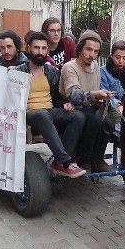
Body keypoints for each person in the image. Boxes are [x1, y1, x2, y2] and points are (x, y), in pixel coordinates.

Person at [14, 31, 86, 177]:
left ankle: (59, 162)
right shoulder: (18, 72)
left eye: (43, 48)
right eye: (36, 48)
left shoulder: (52, 71)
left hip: (49, 111)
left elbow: (58, 97)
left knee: (78, 116)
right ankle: (65, 162)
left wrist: (66, 103)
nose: (40, 52)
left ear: (47, 50)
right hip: (28, 113)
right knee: (42, 114)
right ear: (29, 49)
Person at [59, 30, 114, 173]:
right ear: (80, 48)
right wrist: (96, 94)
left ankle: (98, 158)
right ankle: (84, 158)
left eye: (96, 51)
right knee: (94, 120)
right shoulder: (70, 68)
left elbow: (94, 90)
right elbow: (74, 95)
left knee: (108, 122)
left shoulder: (95, 66)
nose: (92, 54)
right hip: (71, 108)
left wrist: (103, 95)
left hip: (90, 106)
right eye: (89, 49)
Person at [99, 40, 125, 140]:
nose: (121, 61)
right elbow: (106, 94)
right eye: (117, 57)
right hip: (111, 107)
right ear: (111, 55)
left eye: (124, 58)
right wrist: (119, 105)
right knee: (120, 117)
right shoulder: (103, 71)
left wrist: (124, 104)